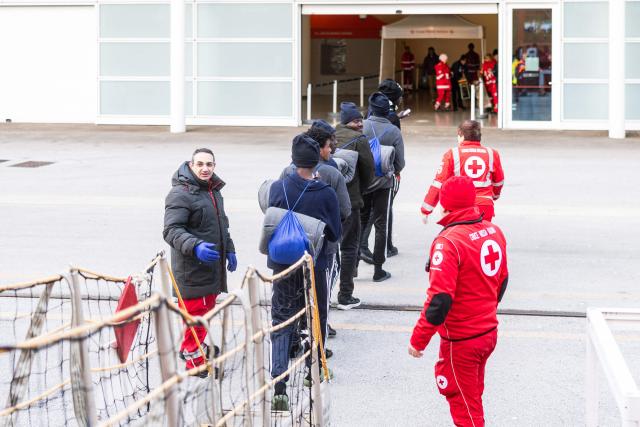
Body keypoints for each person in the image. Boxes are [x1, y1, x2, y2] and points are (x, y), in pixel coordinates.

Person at [408, 176, 509, 427]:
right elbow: (502, 279)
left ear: (446, 204)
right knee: (473, 397)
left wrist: (418, 340)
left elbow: (440, 299)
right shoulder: (493, 231)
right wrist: (485, 310)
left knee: (464, 406)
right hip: (487, 331)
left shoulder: (449, 241)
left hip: (462, 339)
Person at [269, 134, 341, 411]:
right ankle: (315, 373)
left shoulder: (279, 187)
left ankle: (279, 386)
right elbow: (335, 232)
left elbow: (270, 218)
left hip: (282, 267)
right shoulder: (326, 193)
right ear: (317, 162)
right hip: (314, 266)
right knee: (316, 316)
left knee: (282, 320)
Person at [163, 148, 237, 375]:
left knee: (204, 311)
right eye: (200, 164)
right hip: (192, 270)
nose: (205, 169)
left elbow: (222, 225)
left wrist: (230, 250)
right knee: (196, 314)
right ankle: (193, 360)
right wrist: (195, 246)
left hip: (212, 268)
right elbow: (171, 231)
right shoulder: (180, 194)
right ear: (191, 165)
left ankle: (194, 346)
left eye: (210, 164)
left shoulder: (213, 191)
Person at [420, 120, 504, 223]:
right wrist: (494, 195)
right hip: (485, 206)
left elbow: (439, 183)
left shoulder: (452, 154)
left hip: (460, 207)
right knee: (481, 235)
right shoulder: (492, 154)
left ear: (461, 135)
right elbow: (499, 181)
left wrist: (426, 210)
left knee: (461, 236)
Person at [334, 102, 375, 309]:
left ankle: (321, 293)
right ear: (347, 122)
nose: (360, 124)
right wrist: (360, 191)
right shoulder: (359, 140)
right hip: (350, 202)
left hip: (327, 201)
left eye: (361, 120)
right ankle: (345, 295)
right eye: (356, 120)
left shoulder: (329, 135)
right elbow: (369, 170)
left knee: (327, 248)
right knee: (349, 248)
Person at [361, 92, 405, 282]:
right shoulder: (394, 131)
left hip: (363, 181)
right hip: (383, 183)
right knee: (380, 225)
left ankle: (353, 267)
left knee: (360, 222)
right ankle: (378, 270)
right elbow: (400, 163)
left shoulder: (361, 126)